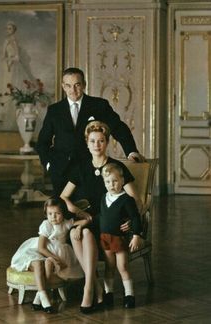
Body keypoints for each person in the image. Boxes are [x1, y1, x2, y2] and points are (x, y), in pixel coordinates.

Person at [60, 121, 143, 313]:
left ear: (107, 143)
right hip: (91, 220)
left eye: (101, 141)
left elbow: (135, 199)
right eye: (92, 141)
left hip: (111, 225)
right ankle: (93, 285)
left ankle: (91, 289)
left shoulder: (117, 168)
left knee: (86, 234)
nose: (97, 145)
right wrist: (79, 212)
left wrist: (130, 221)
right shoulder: (81, 167)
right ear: (87, 143)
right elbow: (64, 196)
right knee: (80, 233)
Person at [36, 67, 144, 196]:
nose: (73, 90)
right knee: (63, 210)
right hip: (61, 170)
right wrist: (49, 164)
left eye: (77, 85)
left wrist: (131, 150)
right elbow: (42, 142)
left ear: (84, 85)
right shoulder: (54, 110)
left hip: (90, 167)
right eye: (68, 86)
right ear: (63, 86)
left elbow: (118, 127)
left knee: (90, 209)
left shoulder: (99, 105)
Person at [10, 197, 89, 314]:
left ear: (63, 213)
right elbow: (41, 247)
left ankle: (38, 299)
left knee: (48, 265)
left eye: (57, 213)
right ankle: (43, 298)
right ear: (46, 214)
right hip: (40, 250)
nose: (53, 217)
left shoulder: (66, 223)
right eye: (50, 214)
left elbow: (86, 220)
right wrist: (55, 258)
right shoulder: (46, 225)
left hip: (57, 252)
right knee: (38, 263)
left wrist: (79, 227)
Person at [100, 163, 144, 309]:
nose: (111, 185)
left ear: (122, 181)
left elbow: (136, 217)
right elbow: (101, 216)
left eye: (115, 181)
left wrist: (136, 235)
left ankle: (129, 295)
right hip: (105, 237)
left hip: (119, 239)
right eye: (107, 182)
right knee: (109, 267)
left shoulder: (126, 199)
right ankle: (108, 294)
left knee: (122, 266)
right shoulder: (104, 197)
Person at [0, 21, 35, 130]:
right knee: (7, 88)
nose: (9, 30)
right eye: (8, 28)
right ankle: (3, 114)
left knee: (18, 87)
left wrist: (16, 58)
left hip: (16, 67)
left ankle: (19, 114)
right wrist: (10, 60)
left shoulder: (16, 41)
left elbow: (20, 56)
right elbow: (3, 56)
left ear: (14, 30)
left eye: (11, 28)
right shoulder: (6, 41)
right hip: (9, 67)